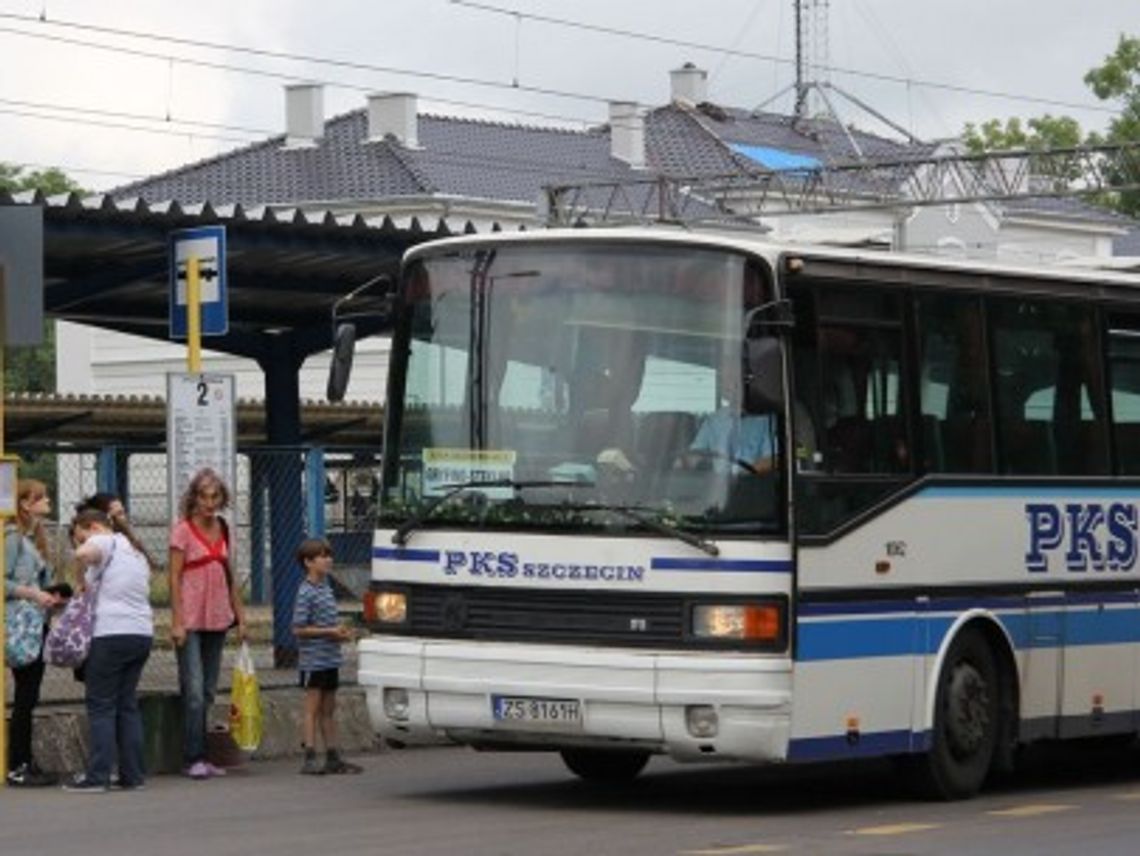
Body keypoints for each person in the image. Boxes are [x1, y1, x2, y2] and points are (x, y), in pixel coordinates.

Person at [61, 509, 154, 793]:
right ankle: (133, 775)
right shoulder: (136, 551)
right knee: (127, 705)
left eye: (79, 535)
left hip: (110, 633)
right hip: (141, 633)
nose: (79, 542)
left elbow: (82, 555)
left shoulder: (103, 541)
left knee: (101, 705)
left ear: (90, 526)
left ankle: (98, 776)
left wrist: (81, 574)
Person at [168, 467, 247, 780]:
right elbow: (173, 577)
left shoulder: (223, 528)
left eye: (215, 496)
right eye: (203, 496)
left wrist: (241, 618)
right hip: (189, 617)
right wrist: (176, 620)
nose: (209, 502)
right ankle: (193, 757)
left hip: (216, 616)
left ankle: (203, 755)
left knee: (210, 690)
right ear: (194, 498)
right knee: (195, 690)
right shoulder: (182, 530)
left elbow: (230, 576)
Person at [3, 479, 62, 787]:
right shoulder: (12, 539)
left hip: (35, 622)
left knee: (30, 695)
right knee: (26, 696)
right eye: (42, 498)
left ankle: (23, 759)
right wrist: (31, 593)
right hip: (20, 625)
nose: (48, 502)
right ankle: (18, 763)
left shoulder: (34, 537)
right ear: (26, 504)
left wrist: (52, 595)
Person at [292, 538, 362, 775]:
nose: (328, 560)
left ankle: (333, 757)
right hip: (314, 661)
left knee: (329, 710)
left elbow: (327, 624)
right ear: (308, 562)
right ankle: (310, 756)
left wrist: (340, 634)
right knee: (312, 709)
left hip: (330, 659)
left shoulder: (326, 588)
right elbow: (298, 628)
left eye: (328, 555)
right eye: (322, 556)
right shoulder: (305, 592)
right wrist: (329, 632)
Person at [684, 349, 777, 475]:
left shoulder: (768, 419)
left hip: (754, 487)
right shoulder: (714, 420)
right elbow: (695, 455)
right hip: (719, 490)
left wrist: (740, 479)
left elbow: (771, 459)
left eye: (732, 377)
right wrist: (679, 463)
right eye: (723, 377)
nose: (725, 382)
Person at [74, 492, 157, 570]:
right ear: (106, 518)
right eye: (119, 514)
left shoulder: (124, 542)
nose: (124, 518)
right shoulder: (98, 543)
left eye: (123, 512)